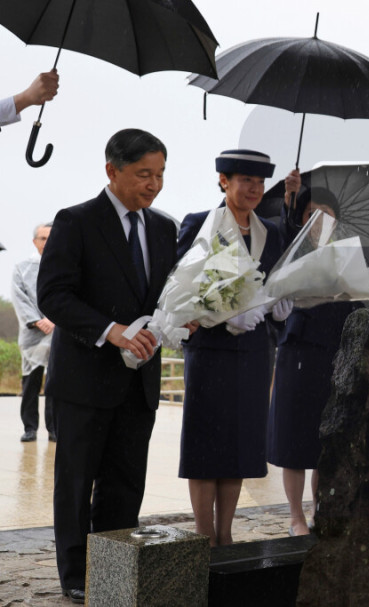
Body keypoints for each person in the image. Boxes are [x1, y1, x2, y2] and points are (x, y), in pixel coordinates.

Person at [37, 129, 179, 605]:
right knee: (76, 483)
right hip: (84, 381)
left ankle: (115, 569)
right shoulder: (75, 221)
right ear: (112, 171)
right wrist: (109, 330)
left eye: (160, 174)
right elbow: (53, 295)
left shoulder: (163, 228)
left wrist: (181, 320)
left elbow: (164, 297)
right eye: (144, 174)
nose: (154, 184)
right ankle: (76, 575)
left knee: (126, 484)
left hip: (139, 381)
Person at [178, 149, 292, 547]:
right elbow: (180, 283)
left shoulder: (271, 232)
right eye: (246, 181)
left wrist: (279, 308)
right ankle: (203, 532)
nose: (254, 189)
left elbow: (275, 283)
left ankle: (225, 532)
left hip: (254, 353)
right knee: (205, 444)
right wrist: (219, 313)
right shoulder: (200, 223)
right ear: (224, 181)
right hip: (210, 350)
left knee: (239, 445)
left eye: (260, 183)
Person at [268, 169, 363, 536]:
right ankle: (295, 516)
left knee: (328, 440)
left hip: (336, 353)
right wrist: (290, 200)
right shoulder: (291, 248)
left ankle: (321, 509)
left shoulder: (347, 253)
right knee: (293, 438)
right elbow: (285, 234)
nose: (319, 219)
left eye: (326, 213)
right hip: (298, 349)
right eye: (312, 213)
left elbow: (360, 304)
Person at [11, 222, 55, 443]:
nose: (47, 243)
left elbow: (68, 295)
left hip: (57, 332)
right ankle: (30, 427)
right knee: (31, 382)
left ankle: (54, 428)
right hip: (32, 335)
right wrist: (37, 321)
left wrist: (53, 319)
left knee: (55, 383)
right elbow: (19, 298)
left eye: (51, 238)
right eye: (43, 238)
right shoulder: (22, 268)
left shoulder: (65, 265)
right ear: (34, 241)